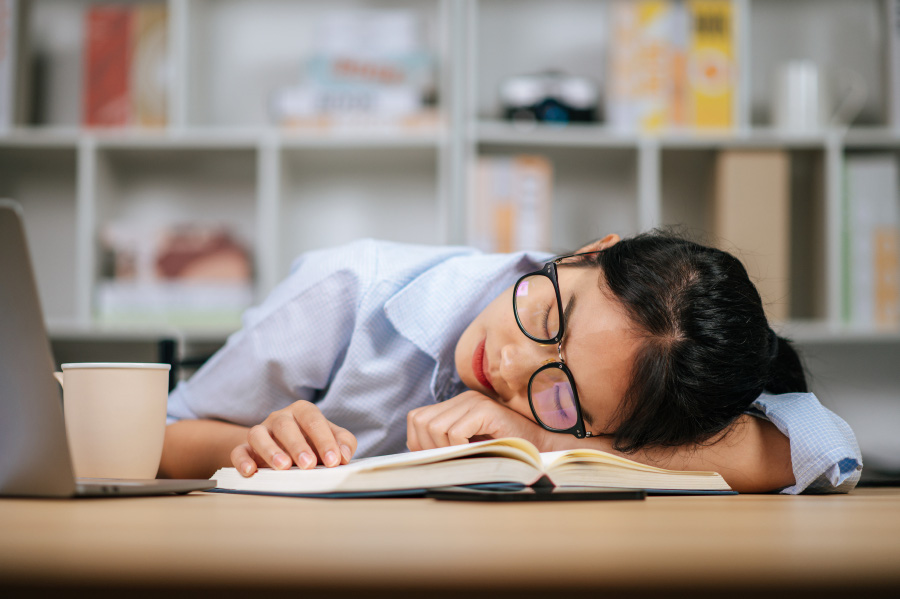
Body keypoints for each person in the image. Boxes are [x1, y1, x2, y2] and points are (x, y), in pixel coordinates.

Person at [160, 231, 862, 493]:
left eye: (559, 393)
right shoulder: (349, 289)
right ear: (588, 249)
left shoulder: (580, 421)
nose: (511, 359)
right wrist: (250, 443)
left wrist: (540, 438)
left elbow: (818, 445)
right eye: (549, 315)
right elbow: (156, 439)